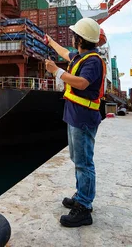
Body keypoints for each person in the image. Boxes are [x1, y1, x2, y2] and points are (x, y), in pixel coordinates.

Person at [44, 17, 105, 228]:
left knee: (84, 162)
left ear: (79, 38)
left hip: (83, 118)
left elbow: (82, 82)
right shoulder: (81, 56)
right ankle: (81, 196)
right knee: (77, 158)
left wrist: (57, 72)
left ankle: (84, 208)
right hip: (75, 116)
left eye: (74, 35)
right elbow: (63, 53)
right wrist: (50, 41)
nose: (72, 38)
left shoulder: (93, 61)